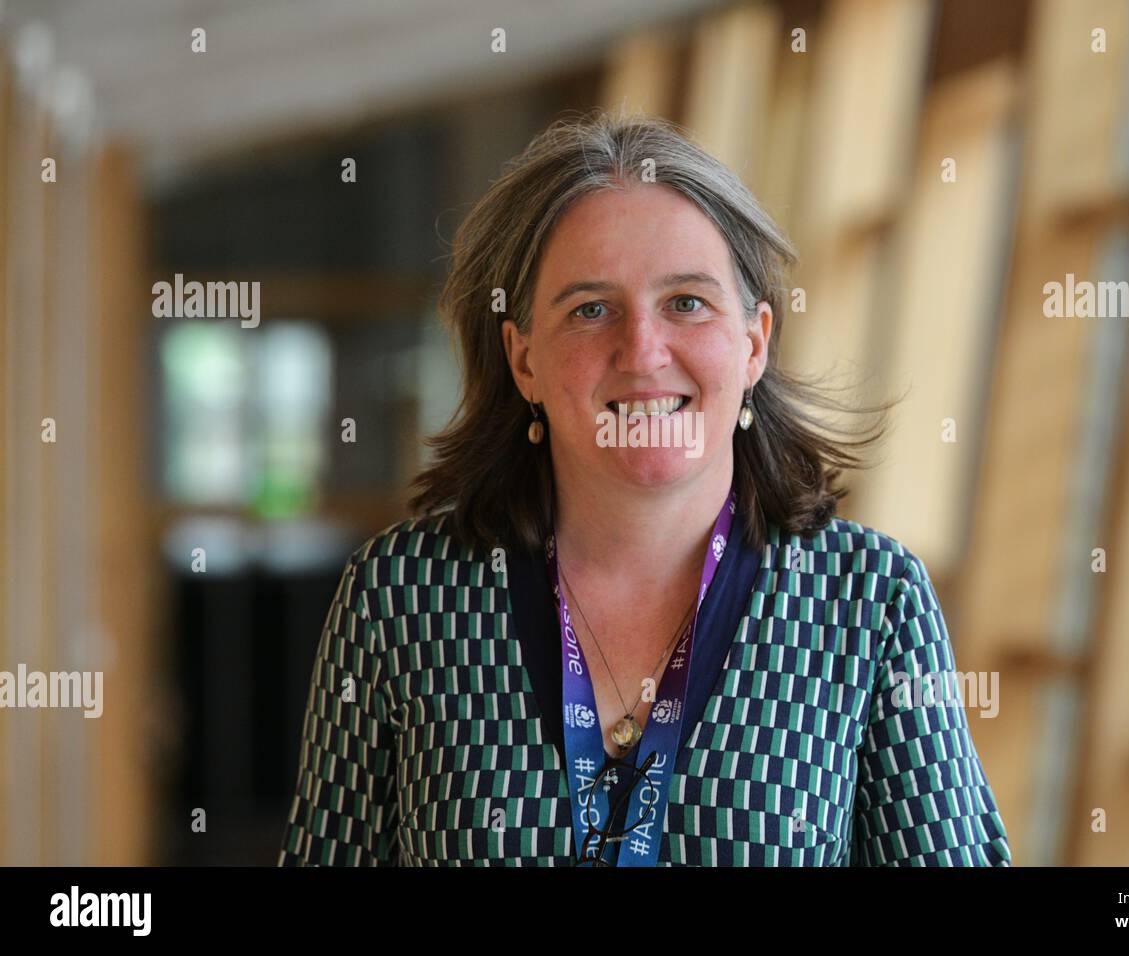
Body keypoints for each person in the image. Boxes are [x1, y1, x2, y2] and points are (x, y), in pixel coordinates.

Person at [277, 108, 1012, 867]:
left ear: (755, 343)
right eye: (590, 309)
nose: (642, 350)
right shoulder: (400, 596)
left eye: (687, 303)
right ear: (523, 358)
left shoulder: (870, 599)